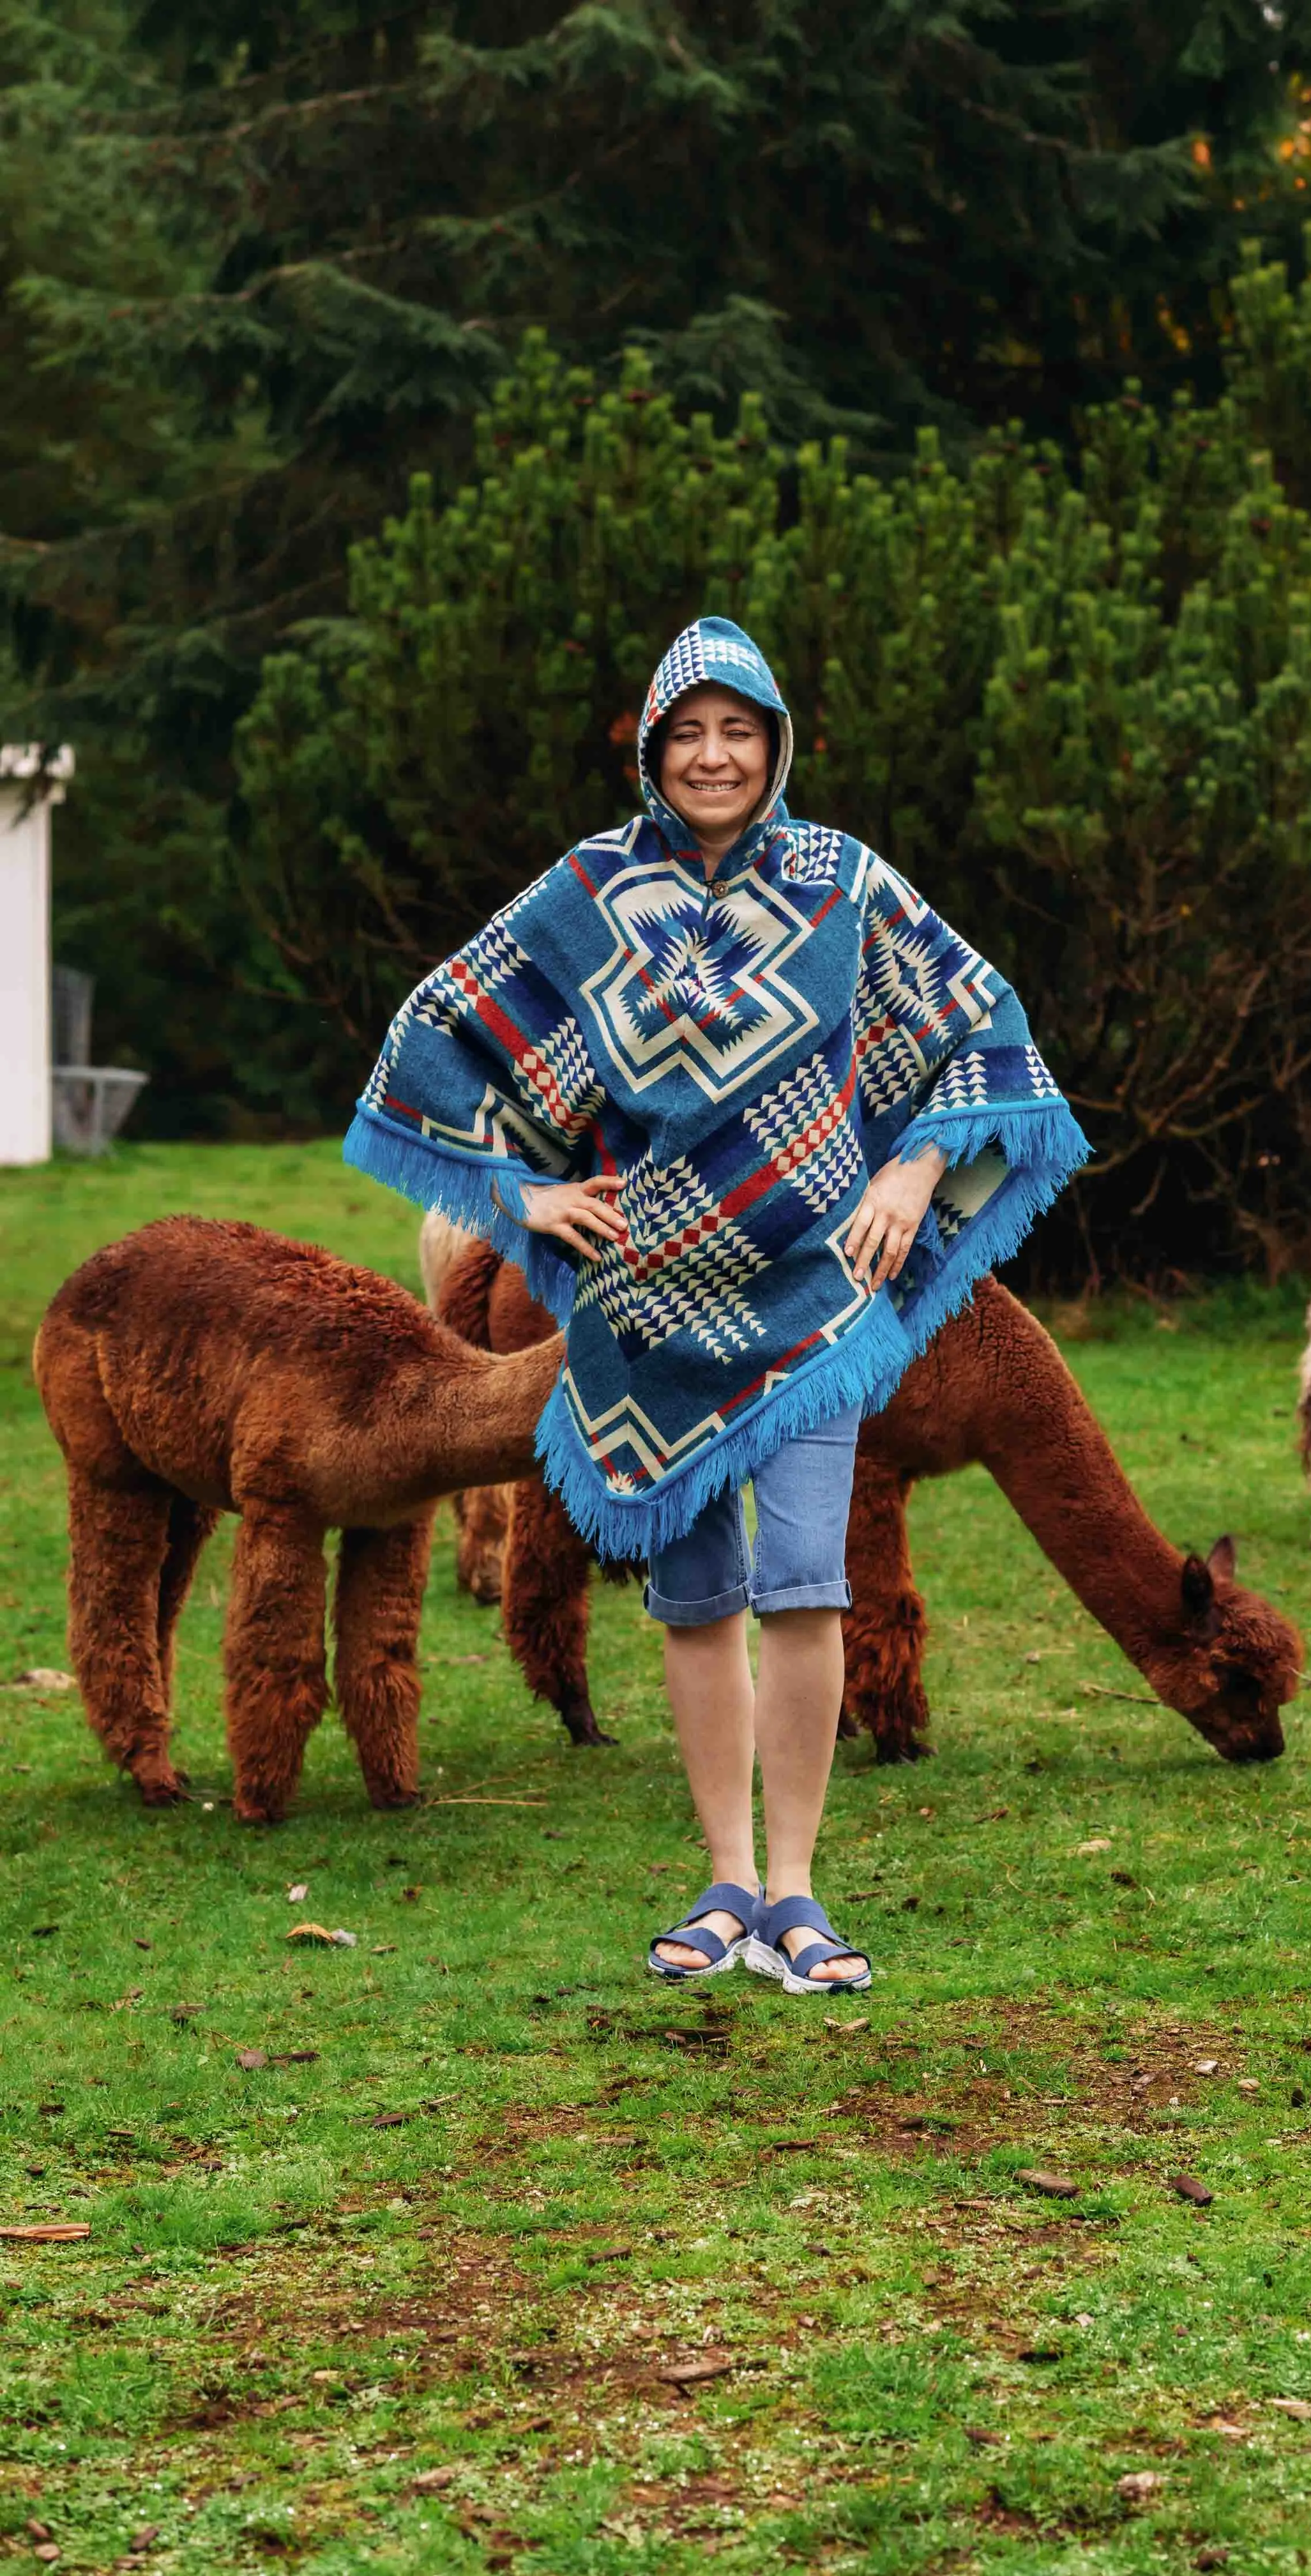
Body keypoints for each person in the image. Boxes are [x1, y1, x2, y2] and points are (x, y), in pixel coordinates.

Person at [346, 618, 1086, 1993]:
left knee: (805, 1586)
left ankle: (799, 1893)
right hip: (644, 1316)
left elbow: (979, 1022)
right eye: (686, 732)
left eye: (736, 729)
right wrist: (516, 1196)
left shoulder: (841, 884)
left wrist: (917, 1170)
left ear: (775, 744)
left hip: (813, 1300)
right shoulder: (587, 893)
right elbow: (435, 1035)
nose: (711, 754)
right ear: (650, 749)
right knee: (695, 1601)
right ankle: (724, 1880)